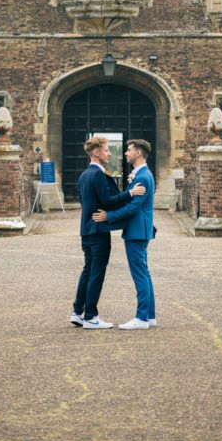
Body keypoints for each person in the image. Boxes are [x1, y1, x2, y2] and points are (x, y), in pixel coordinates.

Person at [72, 136, 146, 330]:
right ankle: (91, 317)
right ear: (96, 153)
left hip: (86, 230)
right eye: (106, 150)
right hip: (98, 231)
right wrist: (130, 193)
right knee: (96, 272)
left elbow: (86, 202)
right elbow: (107, 200)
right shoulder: (97, 174)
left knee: (87, 270)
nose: (110, 153)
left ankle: (77, 312)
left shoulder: (83, 175)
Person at [92, 139, 156, 330]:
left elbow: (134, 208)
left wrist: (108, 217)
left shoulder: (143, 177)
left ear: (138, 153)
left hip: (137, 231)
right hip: (138, 230)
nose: (125, 153)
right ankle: (150, 316)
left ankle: (142, 318)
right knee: (144, 273)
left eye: (129, 150)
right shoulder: (139, 175)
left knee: (140, 274)